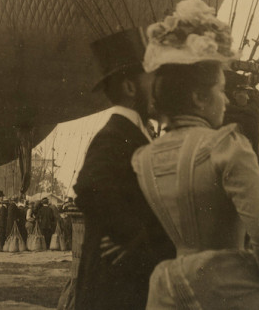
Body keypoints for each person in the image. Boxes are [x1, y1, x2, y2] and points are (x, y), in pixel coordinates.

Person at [132, 0, 259, 309]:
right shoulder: (227, 146)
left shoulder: (143, 159)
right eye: (219, 91)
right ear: (199, 97)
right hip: (229, 288)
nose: (226, 100)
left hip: (168, 290)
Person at [73, 27, 175, 310]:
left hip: (123, 278)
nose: (158, 89)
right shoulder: (115, 134)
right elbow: (89, 186)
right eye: (152, 81)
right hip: (113, 284)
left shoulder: (132, 131)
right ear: (131, 88)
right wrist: (133, 235)